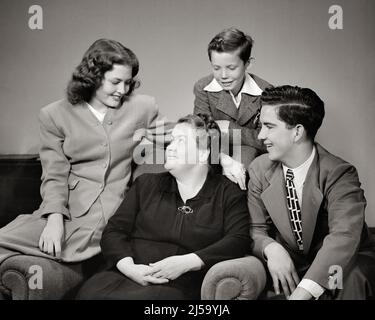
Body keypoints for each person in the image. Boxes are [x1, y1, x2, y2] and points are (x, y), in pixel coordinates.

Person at [0, 39, 170, 265]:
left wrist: (221, 154)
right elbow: (54, 174)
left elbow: (180, 138)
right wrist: (54, 219)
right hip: (67, 209)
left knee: (76, 247)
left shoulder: (142, 107)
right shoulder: (53, 115)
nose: (123, 90)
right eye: (116, 82)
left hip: (113, 210)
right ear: (94, 76)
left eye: (128, 82)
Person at [76, 114, 251, 300]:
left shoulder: (228, 192)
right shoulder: (146, 184)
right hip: (123, 275)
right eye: (172, 140)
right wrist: (129, 268)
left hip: (175, 285)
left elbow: (238, 240)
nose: (171, 148)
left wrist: (188, 262)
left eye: (181, 141)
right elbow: (113, 232)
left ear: (203, 153)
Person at [248, 85, 375, 300]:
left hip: (340, 264)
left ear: (297, 131)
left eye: (269, 126)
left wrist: (303, 294)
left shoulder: (339, 173)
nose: (261, 136)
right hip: (294, 264)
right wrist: (270, 248)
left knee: (350, 278)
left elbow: (343, 236)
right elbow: (255, 229)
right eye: (261, 126)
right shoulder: (259, 169)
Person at [194, 27, 272, 176]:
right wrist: (222, 157)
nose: (223, 75)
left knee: (245, 159)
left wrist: (229, 128)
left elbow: (268, 140)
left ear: (248, 63)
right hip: (214, 150)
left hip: (250, 156)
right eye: (216, 68)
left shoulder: (266, 91)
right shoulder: (202, 87)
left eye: (231, 68)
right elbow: (199, 132)